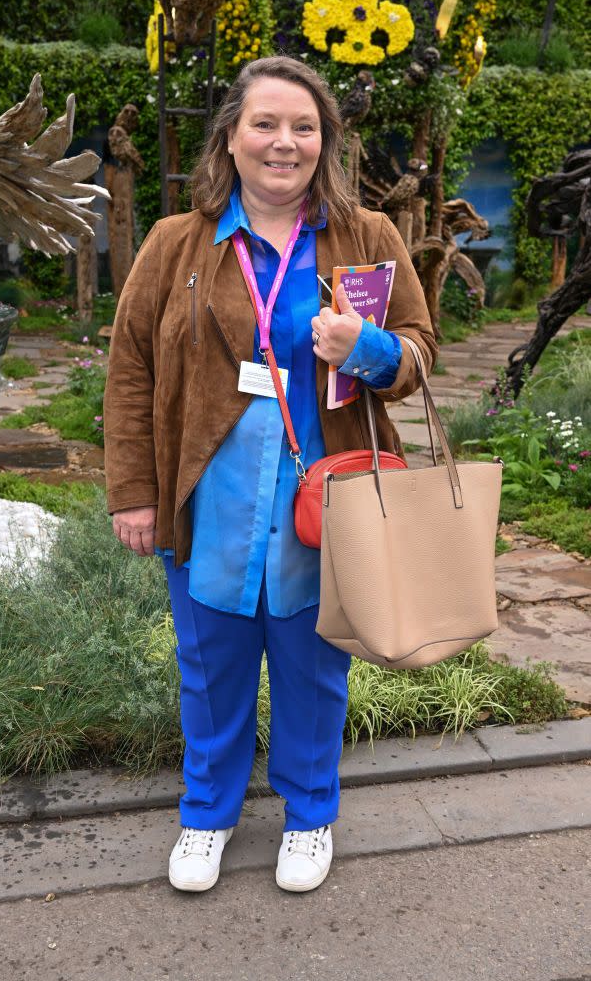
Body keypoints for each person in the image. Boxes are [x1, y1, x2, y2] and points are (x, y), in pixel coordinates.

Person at [103, 55, 437, 894]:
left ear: (324, 143)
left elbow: (421, 353)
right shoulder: (176, 242)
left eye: (303, 127)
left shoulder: (368, 238)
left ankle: (309, 815)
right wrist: (134, 494)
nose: (283, 143)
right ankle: (205, 815)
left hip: (327, 502)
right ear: (231, 136)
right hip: (209, 500)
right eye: (265, 124)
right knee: (209, 667)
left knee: (313, 668)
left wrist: (367, 350)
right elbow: (131, 370)